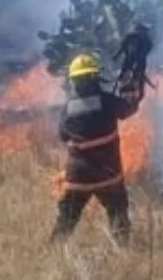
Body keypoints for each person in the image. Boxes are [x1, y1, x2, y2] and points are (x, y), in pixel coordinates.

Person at [50, 52, 139, 246]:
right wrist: (131, 90)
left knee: (66, 219)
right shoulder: (107, 102)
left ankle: (52, 254)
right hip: (108, 174)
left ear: (73, 81)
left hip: (78, 176)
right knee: (118, 214)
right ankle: (124, 252)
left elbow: (63, 136)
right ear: (95, 77)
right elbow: (128, 109)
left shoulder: (68, 109)